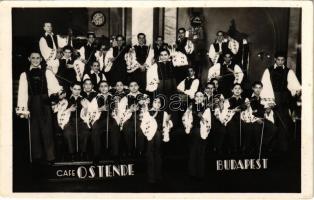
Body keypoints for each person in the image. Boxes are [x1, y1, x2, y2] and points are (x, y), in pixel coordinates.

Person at [16, 51, 63, 163]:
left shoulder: (46, 72)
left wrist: (55, 96)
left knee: (47, 130)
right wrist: (23, 108)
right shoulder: (24, 74)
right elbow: (22, 92)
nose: (36, 60)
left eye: (38, 58)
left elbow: (54, 87)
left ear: (41, 59)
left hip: (45, 103)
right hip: (32, 103)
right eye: (33, 58)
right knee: (34, 131)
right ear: (29, 59)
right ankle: (37, 156)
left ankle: (50, 156)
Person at [260, 52, 301, 153]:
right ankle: (269, 147)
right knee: (272, 121)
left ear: (284, 61)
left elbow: (295, 87)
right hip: (272, 97)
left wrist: (295, 92)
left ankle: (282, 148)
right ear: (275, 59)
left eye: (282, 60)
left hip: (284, 99)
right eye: (278, 60)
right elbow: (265, 86)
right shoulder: (268, 70)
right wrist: (269, 100)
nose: (280, 62)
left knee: (284, 123)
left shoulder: (289, 71)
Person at [141, 97, 173, 183]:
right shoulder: (147, 112)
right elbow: (143, 124)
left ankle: (158, 175)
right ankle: (151, 177)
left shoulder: (164, 113)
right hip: (150, 135)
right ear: (152, 103)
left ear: (161, 104)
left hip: (159, 135)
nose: (157, 103)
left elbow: (168, 125)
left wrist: (168, 121)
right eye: (155, 101)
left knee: (158, 154)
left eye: (159, 102)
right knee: (150, 154)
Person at [241, 81, 277, 156]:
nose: (258, 90)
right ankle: (257, 149)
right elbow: (248, 112)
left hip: (262, 119)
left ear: (262, 89)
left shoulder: (263, 99)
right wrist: (256, 119)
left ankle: (262, 145)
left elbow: (266, 111)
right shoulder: (248, 99)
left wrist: (268, 111)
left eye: (259, 88)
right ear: (253, 88)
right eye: (256, 88)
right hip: (253, 119)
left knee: (273, 128)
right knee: (256, 129)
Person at [182, 91, 211, 179]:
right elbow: (184, 118)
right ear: (194, 97)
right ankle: (192, 173)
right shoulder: (190, 107)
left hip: (202, 131)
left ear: (204, 98)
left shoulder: (206, 108)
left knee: (201, 152)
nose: (199, 98)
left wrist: (201, 117)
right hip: (193, 130)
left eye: (201, 96)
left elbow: (208, 122)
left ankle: (200, 173)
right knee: (193, 151)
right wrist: (188, 125)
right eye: (197, 96)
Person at [214, 84, 246, 156]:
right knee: (232, 126)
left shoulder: (244, 100)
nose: (237, 90)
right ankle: (233, 149)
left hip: (242, 118)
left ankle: (243, 148)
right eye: (235, 88)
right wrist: (234, 110)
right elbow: (224, 111)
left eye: (239, 89)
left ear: (241, 90)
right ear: (232, 90)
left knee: (246, 126)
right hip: (231, 119)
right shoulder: (227, 100)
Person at [119, 81, 147, 157]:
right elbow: (120, 112)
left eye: (135, 85)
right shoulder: (125, 98)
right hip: (129, 118)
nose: (133, 87)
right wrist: (130, 110)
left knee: (142, 128)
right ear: (128, 88)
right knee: (127, 127)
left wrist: (144, 105)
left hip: (141, 118)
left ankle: (141, 151)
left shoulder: (144, 96)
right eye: (131, 86)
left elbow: (148, 110)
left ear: (138, 86)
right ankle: (129, 150)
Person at [90, 81, 113, 163]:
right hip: (99, 119)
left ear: (109, 87)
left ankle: (115, 154)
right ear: (99, 88)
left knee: (115, 127)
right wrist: (100, 109)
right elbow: (91, 110)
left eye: (105, 86)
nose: (103, 88)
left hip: (111, 119)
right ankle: (96, 154)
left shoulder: (113, 97)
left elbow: (118, 110)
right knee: (95, 128)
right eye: (101, 86)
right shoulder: (96, 98)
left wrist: (113, 111)